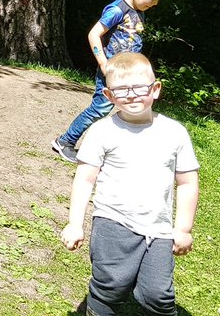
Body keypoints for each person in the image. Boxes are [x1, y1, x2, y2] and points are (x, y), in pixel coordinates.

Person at [60, 52, 199, 316]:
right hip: (113, 221)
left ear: (155, 89)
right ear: (110, 96)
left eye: (139, 87)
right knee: (110, 285)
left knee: (158, 294)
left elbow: (188, 183)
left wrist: (183, 229)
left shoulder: (175, 133)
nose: (132, 95)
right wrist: (75, 223)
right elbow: (85, 179)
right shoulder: (102, 131)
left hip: (159, 229)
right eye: (121, 90)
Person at [52, 0, 169, 163]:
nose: (156, 3)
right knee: (101, 108)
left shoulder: (138, 10)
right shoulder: (117, 9)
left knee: (134, 105)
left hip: (128, 71)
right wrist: (104, 64)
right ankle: (65, 141)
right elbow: (94, 34)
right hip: (112, 70)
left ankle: (123, 149)